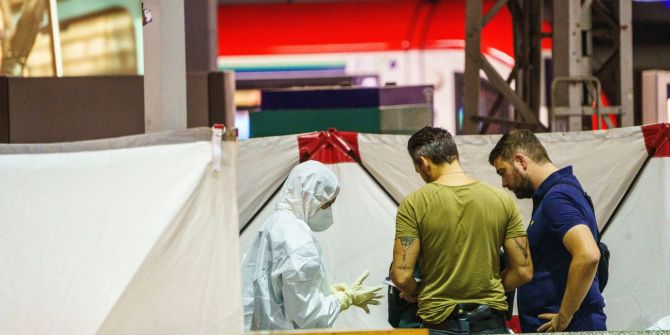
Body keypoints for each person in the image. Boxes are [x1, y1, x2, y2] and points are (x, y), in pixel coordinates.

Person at [391, 126, 533, 334]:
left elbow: (401, 276)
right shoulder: (501, 200)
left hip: (440, 326)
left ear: (423, 162)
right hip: (490, 324)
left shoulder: (414, 204)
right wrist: (486, 289)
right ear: (455, 155)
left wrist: (418, 292)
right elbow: (523, 271)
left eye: (417, 168)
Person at [241, 160, 383, 330]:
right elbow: (307, 315)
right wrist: (344, 299)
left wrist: (326, 291)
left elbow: (280, 290)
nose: (329, 211)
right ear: (310, 198)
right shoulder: (297, 240)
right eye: (327, 204)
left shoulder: (273, 224)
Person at [488, 129, 606, 332]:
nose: (504, 183)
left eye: (503, 172)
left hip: (570, 328)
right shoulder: (559, 193)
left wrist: (564, 316)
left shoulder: (556, 198)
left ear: (521, 161)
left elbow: (588, 255)